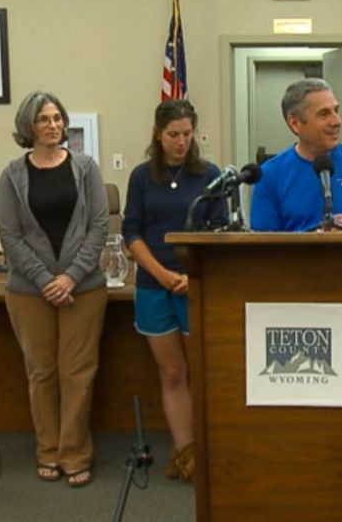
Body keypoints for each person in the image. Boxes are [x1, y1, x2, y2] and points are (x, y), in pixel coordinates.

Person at [0, 91, 109, 488]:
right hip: (30, 291)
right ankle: (47, 450)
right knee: (41, 373)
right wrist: (46, 280)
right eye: (44, 119)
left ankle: (75, 453)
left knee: (77, 372)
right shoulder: (12, 174)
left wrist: (71, 276)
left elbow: (99, 227)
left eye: (58, 118)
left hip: (84, 287)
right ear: (28, 126)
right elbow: (9, 235)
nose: (53, 125)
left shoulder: (85, 167)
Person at [123, 99, 227, 481]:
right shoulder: (140, 177)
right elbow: (131, 232)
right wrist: (163, 275)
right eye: (173, 135)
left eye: (187, 134)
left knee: (201, 370)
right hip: (154, 285)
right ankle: (185, 452)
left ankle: (208, 446)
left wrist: (190, 276)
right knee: (172, 373)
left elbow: (219, 231)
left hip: (195, 285)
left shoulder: (209, 174)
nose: (181, 142)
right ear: (158, 134)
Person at [249, 78, 342, 232]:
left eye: (336, 110)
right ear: (295, 124)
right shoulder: (269, 175)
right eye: (324, 114)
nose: (337, 121)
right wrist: (315, 237)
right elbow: (263, 247)